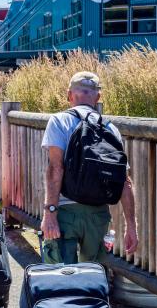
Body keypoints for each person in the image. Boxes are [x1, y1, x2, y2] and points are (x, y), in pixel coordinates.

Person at [40, 71, 138, 264]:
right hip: (98, 215)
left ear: (70, 95)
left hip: (65, 212)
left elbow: (55, 169)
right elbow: (125, 182)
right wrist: (131, 226)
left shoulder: (59, 121)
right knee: (92, 277)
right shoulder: (111, 129)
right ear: (97, 97)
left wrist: (50, 213)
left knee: (61, 277)